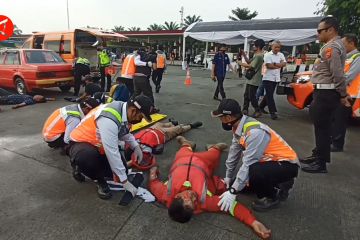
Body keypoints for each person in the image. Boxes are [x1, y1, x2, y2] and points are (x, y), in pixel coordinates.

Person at [148, 136, 271, 239]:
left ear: (177, 196)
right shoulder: (205, 202)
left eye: (188, 198)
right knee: (216, 151)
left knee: (184, 148)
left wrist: (153, 171)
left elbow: (153, 183)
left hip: (182, 159)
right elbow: (231, 207)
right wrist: (253, 221)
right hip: (204, 162)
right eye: (194, 203)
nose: (194, 197)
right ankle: (213, 147)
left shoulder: (164, 194)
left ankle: (187, 143)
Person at [212, 99, 299, 212]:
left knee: (254, 171)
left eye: (220, 117)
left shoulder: (255, 132)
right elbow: (233, 153)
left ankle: (273, 196)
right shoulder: (238, 127)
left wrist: (233, 191)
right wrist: (228, 177)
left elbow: (248, 163)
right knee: (236, 183)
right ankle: (270, 183)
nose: (220, 120)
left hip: (287, 164)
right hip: (269, 162)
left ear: (228, 118)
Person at [69, 95, 154, 200]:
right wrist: (124, 181)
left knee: (118, 171)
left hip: (99, 146)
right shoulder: (109, 118)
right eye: (140, 117)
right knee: (87, 159)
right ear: (133, 110)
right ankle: (94, 177)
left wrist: (135, 146)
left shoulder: (123, 111)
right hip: (81, 144)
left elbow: (124, 132)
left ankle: (97, 169)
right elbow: (112, 151)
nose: (140, 121)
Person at [300, 17, 351, 174]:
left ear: (331, 30)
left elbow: (337, 73)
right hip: (324, 91)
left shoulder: (332, 47)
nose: (318, 34)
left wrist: (343, 94)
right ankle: (318, 155)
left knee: (322, 128)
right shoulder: (332, 46)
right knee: (321, 127)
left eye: (320, 31)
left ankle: (320, 163)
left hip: (326, 93)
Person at [330, 34, 360, 152]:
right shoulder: (345, 57)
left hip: (349, 94)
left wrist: (334, 83)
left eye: (343, 43)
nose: (341, 46)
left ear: (351, 43)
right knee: (334, 118)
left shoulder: (357, 57)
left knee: (340, 120)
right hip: (340, 91)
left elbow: (349, 76)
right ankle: (333, 140)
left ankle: (337, 144)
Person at [125, 120, 203, 161]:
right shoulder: (145, 149)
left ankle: (171, 123)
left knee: (159, 123)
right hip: (163, 134)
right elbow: (141, 158)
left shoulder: (129, 142)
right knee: (178, 128)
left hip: (152, 129)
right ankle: (191, 126)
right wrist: (130, 163)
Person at [258, 40, 286, 120]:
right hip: (268, 78)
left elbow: (284, 63)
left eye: (279, 47)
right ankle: (273, 112)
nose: (277, 49)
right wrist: (279, 65)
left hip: (276, 78)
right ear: (271, 47)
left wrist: (275, 64)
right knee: (270, 95)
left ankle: (260, 107)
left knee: (268, 94)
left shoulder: (281, 54)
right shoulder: (267, 55)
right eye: (276, 47)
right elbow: (269, 66)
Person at [238, 39, 265, 118]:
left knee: (251, 96)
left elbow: (250, 66)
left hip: (255, 79)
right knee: (246, 95)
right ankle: (245, 109)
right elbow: (249, 62)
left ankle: (257, 110)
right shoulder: (256, 55)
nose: (253, 46)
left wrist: (240, 63)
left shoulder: (259, 56)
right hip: (251, 79)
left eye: (254, 45)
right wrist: (243, 54)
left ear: (258, 46)